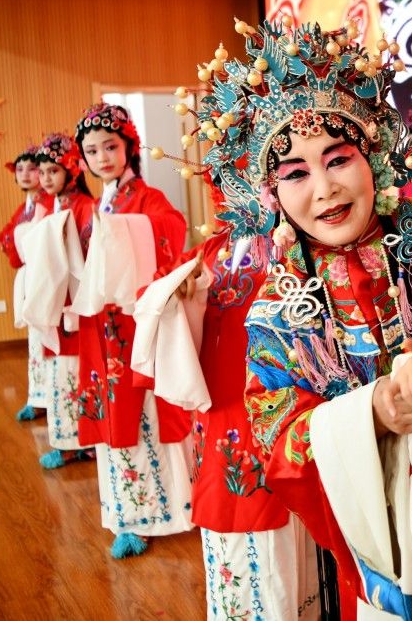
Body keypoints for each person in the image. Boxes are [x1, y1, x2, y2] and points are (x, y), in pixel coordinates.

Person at [186, 18, 412, 619]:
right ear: (270, 195)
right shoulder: (277, 310)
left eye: (338, 159)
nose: (324, 189)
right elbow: (276, 433)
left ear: (373, 157)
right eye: (295, 173)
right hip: (383, 555)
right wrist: (370, 415)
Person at [131, 163, 321, 619]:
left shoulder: (297, 243)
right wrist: (179, 291)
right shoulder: (213, 250)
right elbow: (154, 294)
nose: (234, 192)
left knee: (293, 514)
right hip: (225, 410)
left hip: (287, 403)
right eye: (224, 182)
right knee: (235, 509)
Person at [70, 103, 193, 558]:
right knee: (112, 415)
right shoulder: (94, 204)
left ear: (129, 148)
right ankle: (126, 511)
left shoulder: (146, 198)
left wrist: (121, 230)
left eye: (110, 147)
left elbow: (172, 229)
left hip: (133, 326)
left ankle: (162, 512)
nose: (102, 157)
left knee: (145, 416)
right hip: (100, 328)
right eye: (92, 151)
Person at [25, 133, 95, 468]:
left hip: (73, 302)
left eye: (53, 170)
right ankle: (72, 440)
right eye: (42, 172)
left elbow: (88, 259)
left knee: (72, 373)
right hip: (56, 300)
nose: (46, 178)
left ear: (72, 170)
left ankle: (77, 442)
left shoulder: (85, 207)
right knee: (62, 374)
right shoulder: (55, 206)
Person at [0, 143, 54, 421]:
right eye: (19, 169)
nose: (25, 174)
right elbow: (6, 237)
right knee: (35, 339)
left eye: (32, 168)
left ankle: (48, 396)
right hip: (30, 274)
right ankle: (38, 395)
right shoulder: (26, 206)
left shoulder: (48, 202)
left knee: (46, 335)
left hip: (45, 275)